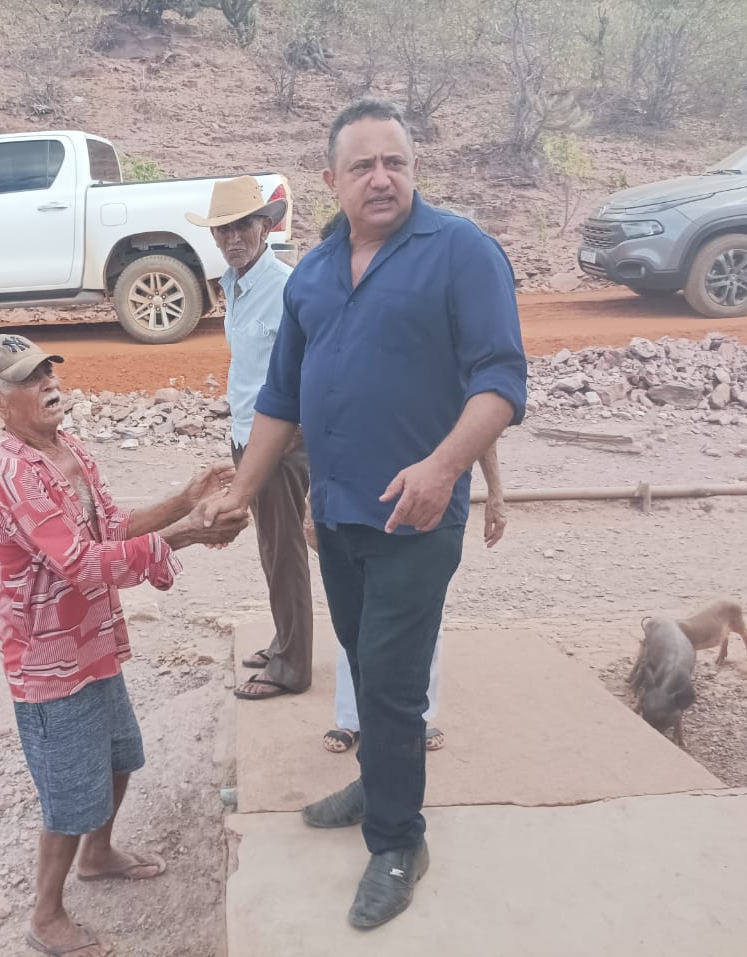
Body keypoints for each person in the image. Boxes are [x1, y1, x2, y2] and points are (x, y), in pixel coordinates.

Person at [205, 98, 528, 929]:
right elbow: (281, 397)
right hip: (339, 512)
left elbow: (501, 380)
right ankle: (381, 776)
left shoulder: (461, 252)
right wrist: (244, 491)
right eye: (363, 166)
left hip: (419, 518)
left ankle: (397, 837)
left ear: (414, 169)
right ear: (330, 181)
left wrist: (447, 465)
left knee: (388, 674)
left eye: (396, 162)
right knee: (359, 652)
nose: (381, 178)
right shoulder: (312, 273)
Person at [0, 333, 247, 957]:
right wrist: (187, 534)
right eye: (29, 378)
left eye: (47, 371)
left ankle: (97, 856)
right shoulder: (11, 473)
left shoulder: (67, 450)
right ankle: (45, 915)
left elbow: (111, 529)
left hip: (91, 640)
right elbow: (78, 562)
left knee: (120, 756)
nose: (47, 384)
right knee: (70, 791)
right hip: (48, 658)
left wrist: (185, 498)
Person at [185, 176, 313, 702]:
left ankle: (293, 666)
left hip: (278, 440)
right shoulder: (232, 284)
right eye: (223, 229)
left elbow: (307, 371)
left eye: (243, 225)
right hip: (248, 433)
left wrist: (284, 441)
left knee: (285, 550)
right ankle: (287, 641)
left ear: (265, 226)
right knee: (270, 546)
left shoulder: (285, 288)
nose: (233, 237)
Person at [323, 445, 508, 754]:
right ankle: (353, 717)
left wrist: (496, 494)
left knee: (423, 622)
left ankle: (417, 717)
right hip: (358, 502)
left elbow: (484, 430)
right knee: (356, 618)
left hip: (431, 510)